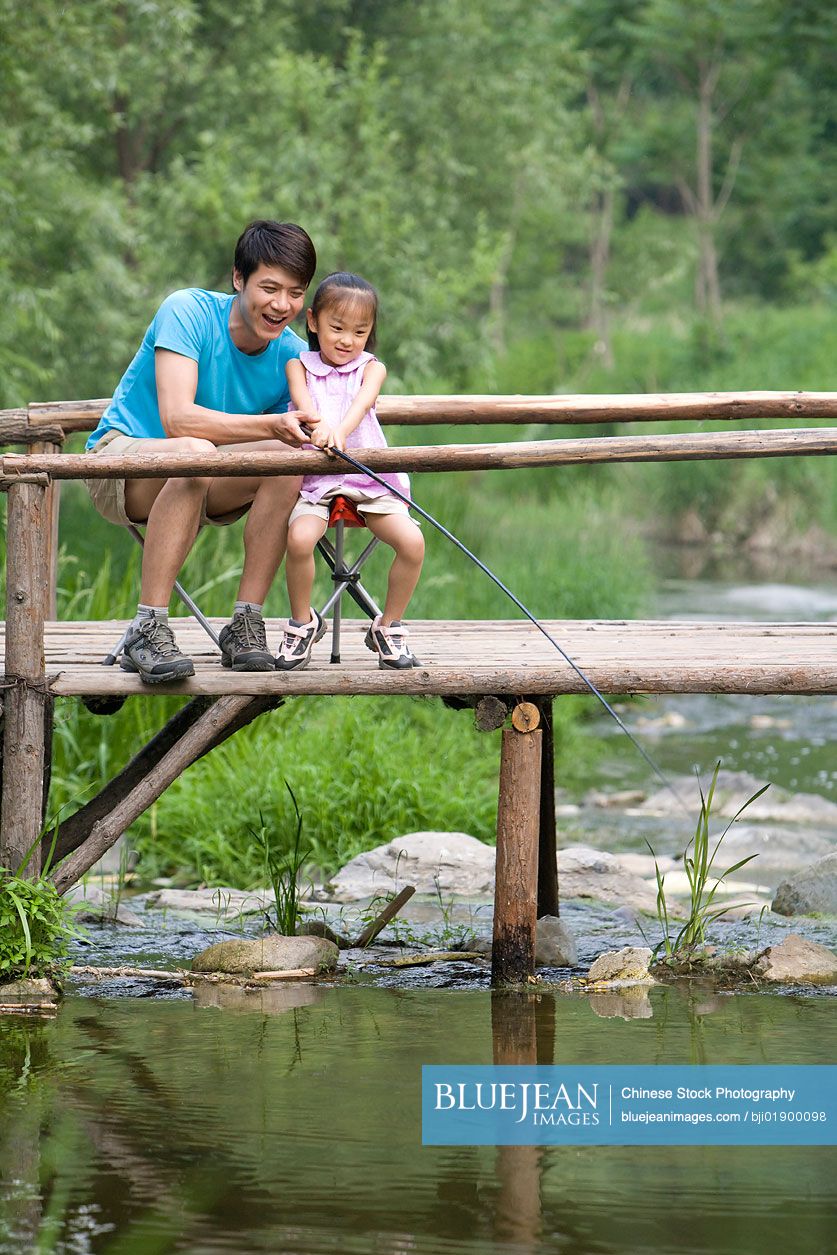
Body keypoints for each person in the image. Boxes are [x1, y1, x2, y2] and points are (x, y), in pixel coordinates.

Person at [83, 220, 321, 684]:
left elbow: (290, 432)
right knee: (195, 450)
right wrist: (271, 424)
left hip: (208, 476)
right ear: (238, 278)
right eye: (269, 288)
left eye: (295, 293)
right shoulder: (187, 310)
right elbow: (178, 419)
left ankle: (246, 624)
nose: (281, 305)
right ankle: (147, 627)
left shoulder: (292, 353)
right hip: (122, 463)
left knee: (286, 462)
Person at [276, 272, 425, 672]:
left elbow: (361, 404)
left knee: (412, 543)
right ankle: (303, 622)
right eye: (337, 328)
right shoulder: (298, 366)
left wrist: (339, 431)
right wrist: (319, 426)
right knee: (300, 539)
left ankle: (388, 626)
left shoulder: (372, 369)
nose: (347, 340)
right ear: (312, 321)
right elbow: (304, 406)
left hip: (367, 475)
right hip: (316, 479)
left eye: (360, 331)